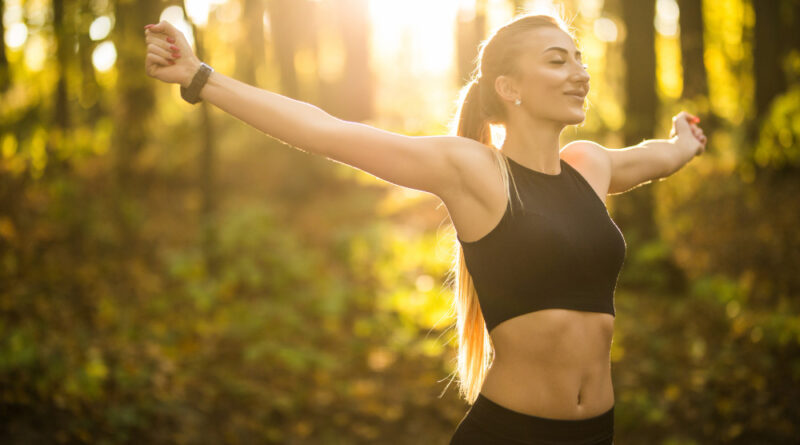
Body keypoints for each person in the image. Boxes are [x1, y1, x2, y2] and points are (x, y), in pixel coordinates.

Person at [144, 10, 706, 445]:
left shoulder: (591, 166)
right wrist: (199, 78)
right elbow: (327, 131)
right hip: (511, 434)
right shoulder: (474, 171)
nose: (580, 72)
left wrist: (685, 142)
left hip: (596, 433)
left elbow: (655, 157)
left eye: (579, 59)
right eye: (558, 60)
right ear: (509, 88)